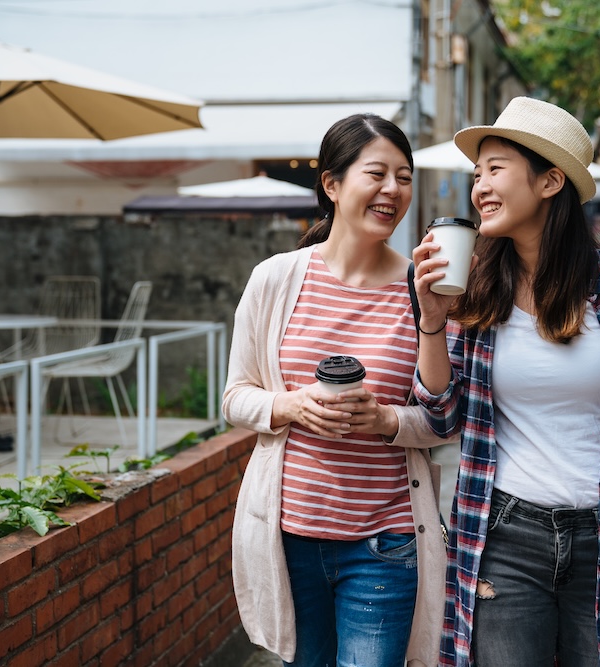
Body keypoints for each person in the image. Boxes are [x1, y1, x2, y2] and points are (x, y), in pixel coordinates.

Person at [409, 96, 600, 666]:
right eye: (477, 174)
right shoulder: (476, 291)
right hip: (503, 535)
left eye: (496, 169)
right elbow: (440, 416)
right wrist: (431, 320)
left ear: (550, 181)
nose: (479, 187)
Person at [223, 114, 447, 667]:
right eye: (377, 173)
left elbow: (446, 417)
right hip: (289, 536)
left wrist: (387, 422)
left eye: (404, 176)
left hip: (386, 542)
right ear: (332, 184)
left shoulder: (423, 291)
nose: (392, 190)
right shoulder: (275, 278)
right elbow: (234, 398)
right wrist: (289, 404)